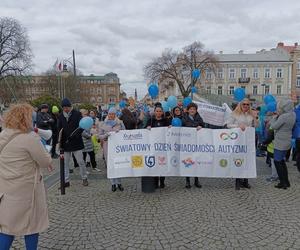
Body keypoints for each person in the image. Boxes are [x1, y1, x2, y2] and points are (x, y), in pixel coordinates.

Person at [0, 103, 53, 250]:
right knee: (32, 226)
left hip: (6, 190)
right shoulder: (30, 138)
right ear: (26, 119)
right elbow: (45, 161)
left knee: (7, 227)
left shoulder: (2, 135)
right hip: (27, 191)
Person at [226, 98, 258, 190]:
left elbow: (255, 126)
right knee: (238, 159)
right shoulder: (234, 114)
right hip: (238, 140)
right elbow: (228, 125)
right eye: (244, 104)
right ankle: (237, 181)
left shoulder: (251, 114)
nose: (246, 106)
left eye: (248, 104)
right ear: (240, 105)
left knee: (248, 159)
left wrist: (255, 118)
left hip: (248, 141)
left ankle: (245, 181)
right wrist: (238, 126)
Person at [58, 98, 88, 187]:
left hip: (76, 142)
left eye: (67, 107)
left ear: (70, 106)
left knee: (80, 162)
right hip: (65, 143)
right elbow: (59, 129)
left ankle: (84, 178)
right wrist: (59, 142)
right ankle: (66, 181)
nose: (65, 109)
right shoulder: (60, 116)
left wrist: (75, 135)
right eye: (64, 108)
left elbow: (81, 127)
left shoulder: (77, 114)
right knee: (65, 163)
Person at [270, 99, 296, 189]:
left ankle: (283, 182)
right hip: (287, 140)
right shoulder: (293, 114)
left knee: (277, 161)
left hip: (280, 141)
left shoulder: (283, 116)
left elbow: (273, 126)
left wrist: (273, 118)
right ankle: (286, 181)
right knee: (282, 161)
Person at [98, 107, 125, 192]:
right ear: (108, 114)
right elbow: (99, 135)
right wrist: (105, 136)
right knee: (110, 165)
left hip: (118, 148)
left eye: (113, 114)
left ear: (115, 114)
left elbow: (125, 133)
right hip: (107, 147)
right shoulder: (103, 123)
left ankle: (119, 183)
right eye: (110, 114)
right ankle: (113, 183)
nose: (111, 115)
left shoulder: (120, 123)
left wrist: (119, 134)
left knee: (118, 164)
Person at [146, 106, 170, 189]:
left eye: (160, 111)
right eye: (157, 111)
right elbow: (145, 131)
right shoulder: (151, 120)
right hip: (153, 147)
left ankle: (162, 181)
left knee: (163, 164)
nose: (158, 113)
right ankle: (155, 182)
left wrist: (170, 128)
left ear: (162, 112)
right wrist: (147, 128)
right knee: (155, 164)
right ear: (154, 112)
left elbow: (169, 132)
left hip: (163, 147)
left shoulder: (166, 120)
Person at [182, 102, 204, 189]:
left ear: (196, 110)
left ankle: (196, 180)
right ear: (188, 110)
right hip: (187, 143)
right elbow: (185, 124)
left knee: (196, 160)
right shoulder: (184, 117)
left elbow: (202, 124)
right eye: (191, 109)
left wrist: (200, 126)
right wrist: (196, 125)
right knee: (187, 161)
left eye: (194, 109)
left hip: (196, 142)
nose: (192, 110)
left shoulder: (199, 117)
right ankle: (187, 181)